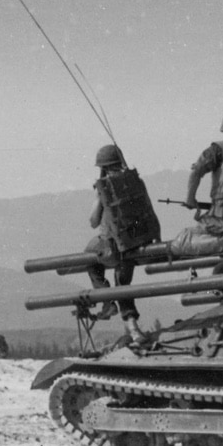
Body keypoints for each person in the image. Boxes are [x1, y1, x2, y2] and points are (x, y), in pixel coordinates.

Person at [84, 144, 148, 343]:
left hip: (111, 244)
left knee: (88, 258)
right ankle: (133, 329)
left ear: (102, 166)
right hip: (134, 243)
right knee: (123, 284)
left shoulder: (104, 186)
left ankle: (106, 301)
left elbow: (94, 221)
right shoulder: (136, 182)